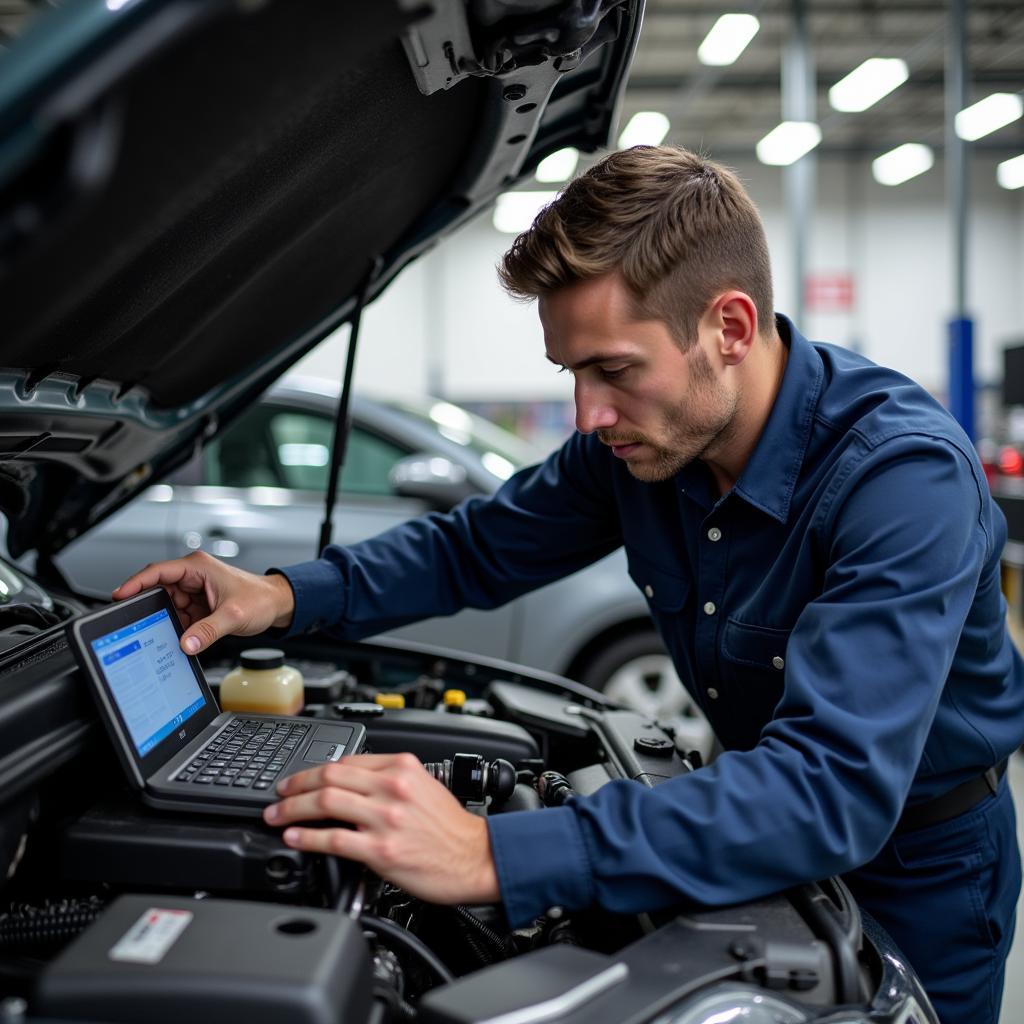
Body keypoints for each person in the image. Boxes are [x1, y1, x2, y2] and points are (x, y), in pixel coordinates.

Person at [114, 146, 1024, 1024]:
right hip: (756, 820)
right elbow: (471, 549)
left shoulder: (902, 479)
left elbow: (831, 790)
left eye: (615, 370)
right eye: (573, 373)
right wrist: (277, 594)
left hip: (921, 867)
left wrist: (493, 852)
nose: (589, 416)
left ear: (730, 329)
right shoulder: (638, 448)